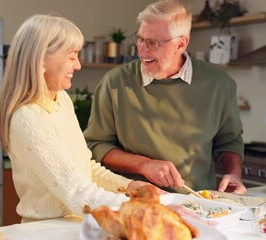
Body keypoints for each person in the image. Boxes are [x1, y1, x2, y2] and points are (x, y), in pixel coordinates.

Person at [0, 14, 155, 223]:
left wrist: (128, 186)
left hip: (75, 226)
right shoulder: (27, 117)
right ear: (41, 60)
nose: (78, 65)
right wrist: (140, 209)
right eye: (72, 57)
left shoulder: (61, 99)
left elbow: (85, 168)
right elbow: (76, 192)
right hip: (47, 232)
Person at [84, 0, 247, 194]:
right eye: (140, 39)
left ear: (181, 43)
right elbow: (95, 146)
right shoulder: (115, 82)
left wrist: (234, 173)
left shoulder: (219, 83)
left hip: (198, 204)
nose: (142, 50)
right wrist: (143, 165)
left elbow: (229, 141)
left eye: (152, 43)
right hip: (134, 201)